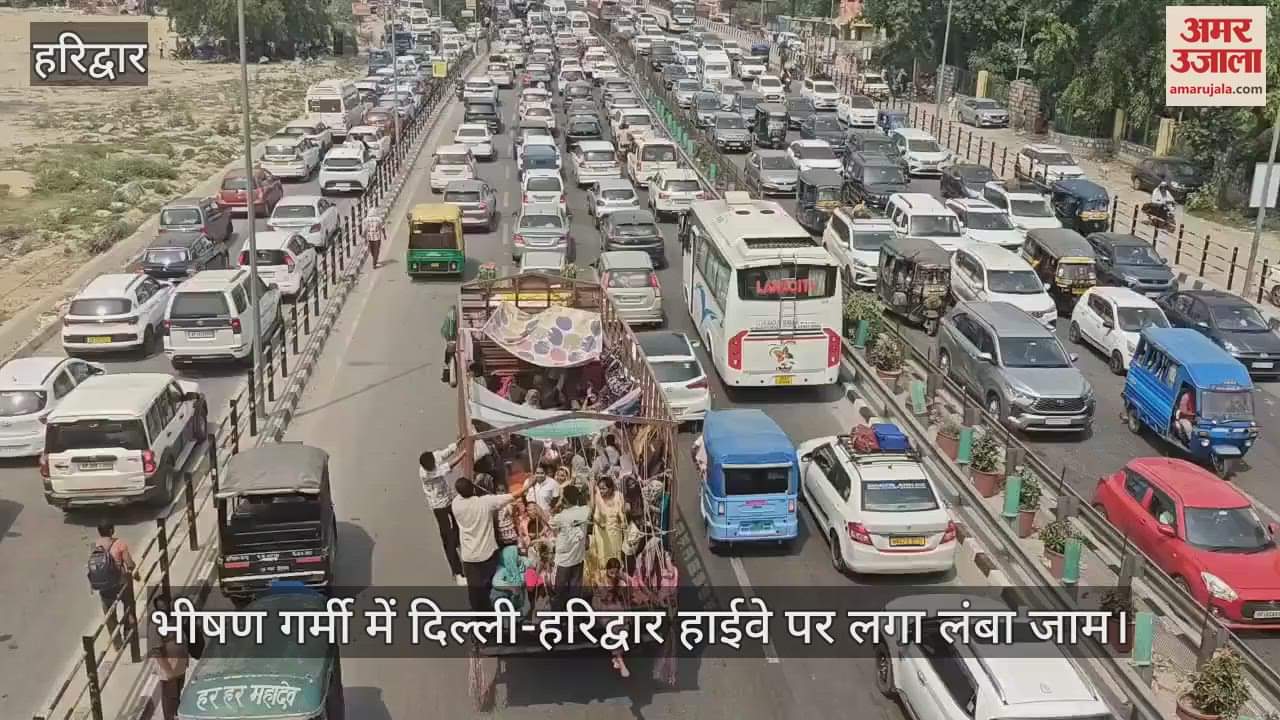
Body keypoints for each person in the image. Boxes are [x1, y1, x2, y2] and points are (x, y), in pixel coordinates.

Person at [451, 477, 515, 611]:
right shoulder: (485, 502)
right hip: (487, 554)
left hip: (469, 556)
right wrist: (528, 485)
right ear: (473, 489)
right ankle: (492, 613)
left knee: (474, 591)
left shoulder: (456, 504)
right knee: (491, 586)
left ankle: (479, 615)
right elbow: (511, 496)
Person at [88, 524, 140, 650]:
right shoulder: (120, 544)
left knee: (110, 615)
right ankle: (129, 632)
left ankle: (117, 643)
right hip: (120, 582)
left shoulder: (94, 546)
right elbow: (129, 563)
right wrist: (135, 572)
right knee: (129, 606)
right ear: (112, 530)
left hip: (104, 586)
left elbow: (93, 567)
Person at [420, 448, 467, 586]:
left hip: (448, 498)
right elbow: (448, 466)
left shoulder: (433, 458)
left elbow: (443, 453)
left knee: (459, 523)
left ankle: (458, 542)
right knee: (447, 537)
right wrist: (463, 453)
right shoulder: (427, 473)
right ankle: (457, 572)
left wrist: (455, 446)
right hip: (438, 506)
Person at [147, 592, 190, 720]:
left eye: (166, 606)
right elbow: (156, 651)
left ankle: (178, 716)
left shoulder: (174, 618)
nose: (165, 609)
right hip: (169, 668)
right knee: (170, 698)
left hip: (180, 666)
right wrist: (168, 671)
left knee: (178, 694)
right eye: (162, 607)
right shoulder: (156, 624)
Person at [550, 485, 591, 610]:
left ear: (565, 499)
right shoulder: (584, 511)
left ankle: (558, 619)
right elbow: (591, 506)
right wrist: (591, 485)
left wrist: (556, 506)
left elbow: (549, 522)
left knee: (559, 593)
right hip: (578, 559)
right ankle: (574, 620)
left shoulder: (560, 517)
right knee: (575, 592)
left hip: (563, 561)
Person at [593, 558, 632, 677]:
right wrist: (599, 583)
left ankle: (617, 657)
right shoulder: (600, 578)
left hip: (615, 606)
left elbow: (631, 584)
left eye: (616, 572)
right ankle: (620, 661)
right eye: (611, 572)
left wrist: (621, 575)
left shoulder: (619, 580)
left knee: (624, 627)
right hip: (602, 606)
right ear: (607, 570)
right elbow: (602, 597)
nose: (613, 575)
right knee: (614, 627)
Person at [585, 474, 627, 583]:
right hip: (601, 531)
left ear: (611, 488)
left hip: (615, 531)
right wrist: (592, 491)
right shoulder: (597, 496)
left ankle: (616, 580)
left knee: (615, 554)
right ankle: (603, 582)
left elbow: (622, 513)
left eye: (604, 488)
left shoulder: (619, 495)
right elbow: (593, 512)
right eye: (600, 488)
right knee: (601, 556)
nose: (601, 491)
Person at [490, 546, 533, 618]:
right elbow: (495, 582)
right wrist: (510, 587)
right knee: (496, 593)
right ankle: (505, 616)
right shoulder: (503, 568)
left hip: (519, 596)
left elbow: (532, 563)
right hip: (508, 595)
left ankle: (518, 616)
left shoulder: (523, 563)